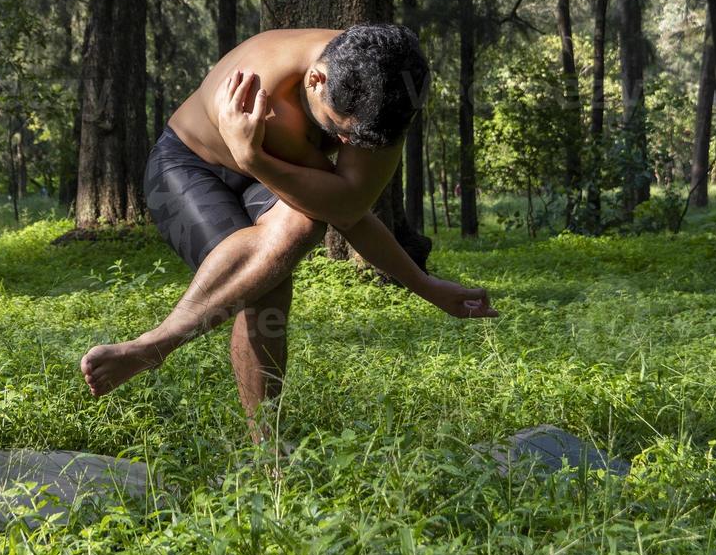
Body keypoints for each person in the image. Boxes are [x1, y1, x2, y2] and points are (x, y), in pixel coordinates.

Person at [79, 24, 498, 439]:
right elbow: (343, 209)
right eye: (342, 131)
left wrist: (426, 285)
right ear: (317, 79)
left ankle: (263, 449)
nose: (350, 143)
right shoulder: (261, 87)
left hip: (255, 159)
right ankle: (165, 354)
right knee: (272, 274)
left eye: (361, 140)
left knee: (291, 243)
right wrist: (251, 156)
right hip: (189, 164)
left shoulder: (384, 93)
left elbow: (348, 209)